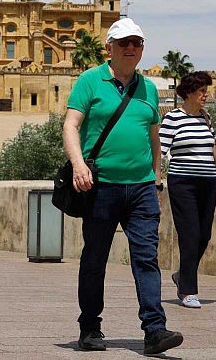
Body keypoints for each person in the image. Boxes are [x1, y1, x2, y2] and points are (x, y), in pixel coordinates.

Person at [63, 18, 183, 355]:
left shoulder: (148, 89)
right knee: (95, 258)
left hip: (142, 189)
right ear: (110, 48)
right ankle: (90, 328)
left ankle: (154, 331)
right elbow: (71, 126)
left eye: (137, 43)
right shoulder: (89, 81)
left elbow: (154, 137)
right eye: (124, 43)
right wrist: (79, 164)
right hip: (101, 187)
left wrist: (156, 177)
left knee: (146, 258)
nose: (131, 48)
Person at [159, 71, 216, 308]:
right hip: (182, 182)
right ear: (189, 92)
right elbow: (160, 152)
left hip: (208, 182)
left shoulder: (206, 118)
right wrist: (154, 180)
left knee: (204, 235)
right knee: (190, 234)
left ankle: (181, 275)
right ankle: (187, 291)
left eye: (207, 91)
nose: (207, 95)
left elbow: (210, 148)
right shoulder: (173, 118)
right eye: (203, 91)